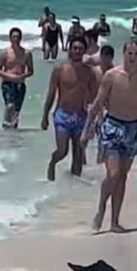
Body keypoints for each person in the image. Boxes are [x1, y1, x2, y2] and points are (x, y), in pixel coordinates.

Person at [82, 38, 137, 232]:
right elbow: (97, 103)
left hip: (132, 128)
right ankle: (101, 208)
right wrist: (87, 130)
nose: (133, 57)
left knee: (122, 176)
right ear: (124, 53)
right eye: (130, 53)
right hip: (111, 126)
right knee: (112, 174)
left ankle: (114, 222)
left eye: (136, 54)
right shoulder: (112, 75)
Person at [42, 37, 97, 180]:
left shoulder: (90, 72)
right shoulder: (60, 70)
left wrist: (92, 120)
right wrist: (45, 116)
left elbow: (95, 96)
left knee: (78, 154)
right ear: (70, 50)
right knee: (62, 151)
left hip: (80, 116)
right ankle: (52, 163)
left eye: (80, 48)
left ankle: (74, 189)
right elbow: (51, 93)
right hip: (62, 115)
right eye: (75, 48)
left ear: (84, 51)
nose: (77, 51)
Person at [83, 45, 117, 165]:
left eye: (109, 58)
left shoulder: (115, 73)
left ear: (112, 58)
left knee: (103, 142)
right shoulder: (94, 71)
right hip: (92, 107)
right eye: (104, 57)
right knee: (84, 139)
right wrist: (85, 104)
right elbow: (86, 89)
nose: (106, 61)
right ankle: (82, 165)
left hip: (107, 110)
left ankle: (99, 166)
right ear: (100, 57)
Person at [0, 28, 34, 128]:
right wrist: (11, 76)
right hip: (8, 84)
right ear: (10, 38)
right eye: (14, 37)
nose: (16, 39)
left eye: (17, 37)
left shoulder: (26, 53)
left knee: (16, 110)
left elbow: (30, 71)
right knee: (10, 105)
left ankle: (13, 133)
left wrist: (22, 76)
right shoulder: (5, 53)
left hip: (20, 84)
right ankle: (6, 125)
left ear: (21, 38)